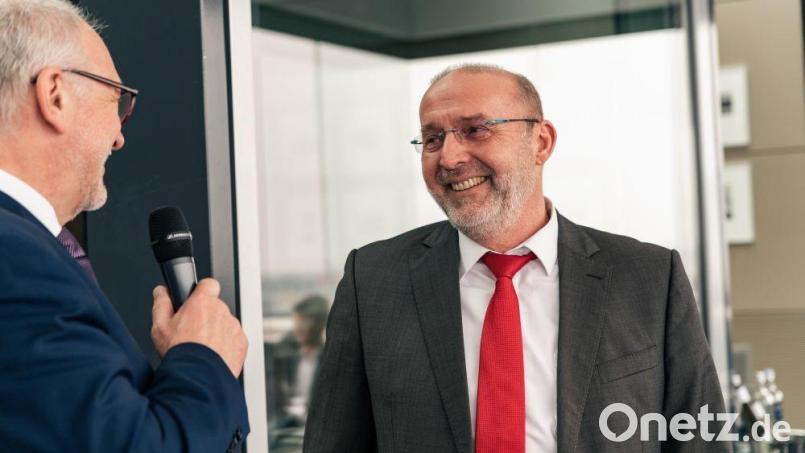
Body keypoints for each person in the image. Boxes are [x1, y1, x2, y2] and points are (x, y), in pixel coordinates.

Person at [303, 64, 730, 452]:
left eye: (476, 129)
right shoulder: (374, 280)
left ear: (541, 142)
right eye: (433, 138)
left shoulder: (648, 278)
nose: (449, 157)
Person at [0, 1, 249, 451]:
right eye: (117, 99)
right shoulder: (15, 257)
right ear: (54, 93)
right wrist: (204, 357)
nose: (119, 135)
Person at [266, 295, 329, 448]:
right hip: (287, 425)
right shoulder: (284, 352)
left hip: (315, 430)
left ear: (320, 324)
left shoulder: (329, 360)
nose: (299, 327)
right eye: (297, 321)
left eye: (306, 321)